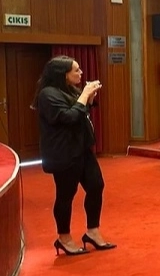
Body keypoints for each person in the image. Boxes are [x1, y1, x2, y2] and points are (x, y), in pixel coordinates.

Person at [33, 55, 114, 256]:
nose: (81, 73)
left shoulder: (68, 89)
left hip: (82, 148)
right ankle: (64, 237)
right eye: (76, 70)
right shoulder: (47, 94)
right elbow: (69, 117)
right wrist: (85, 94)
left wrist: (89, 98)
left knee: (96, 186)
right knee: (66, 195)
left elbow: (80, 111)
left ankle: (92, 231)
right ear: (63, 74)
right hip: (63, 152)